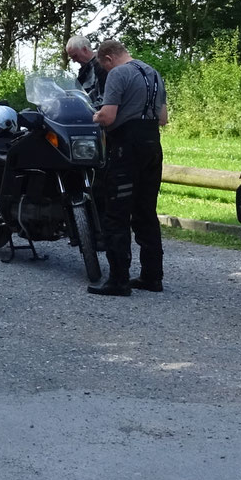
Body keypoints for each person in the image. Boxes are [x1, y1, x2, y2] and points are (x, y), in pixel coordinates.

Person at [90, 39, 170, 296]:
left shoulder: (118, 74)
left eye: (103, 65)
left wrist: (96, 116)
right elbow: (163, 119)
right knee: (146, 212)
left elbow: (109, 115)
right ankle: (152, 277)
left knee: (117, 213)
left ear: (108, 59)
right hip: (152, 147)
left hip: (126, 147)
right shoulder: (154, 73)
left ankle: (118, 280)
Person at [65, 33, 105, 104]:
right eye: (72, 58)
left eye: (75, 56)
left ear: (85, 49)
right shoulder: (84, 70)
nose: (74, 61)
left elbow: (103, 94)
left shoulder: (101, 64)